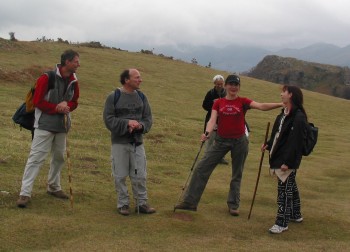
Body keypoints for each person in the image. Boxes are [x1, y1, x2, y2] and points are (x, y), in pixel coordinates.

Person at [174, 74, 283, 216]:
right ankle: (189, 202)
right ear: (225, 86)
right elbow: (212, 119)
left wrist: (281, 104)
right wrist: (206, 133)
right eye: (231, 84)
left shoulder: (243, 101)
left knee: (236, 174)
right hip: (220, 141)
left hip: (240, 142)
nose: (233, 87)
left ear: (239, 87)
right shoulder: (218, 103)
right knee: (201, 168)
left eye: (236, 84)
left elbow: (261, 106)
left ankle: (233, 205)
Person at [16, 49, 80, 208]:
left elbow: (75, 101)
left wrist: (67, 106)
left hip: (62, 125)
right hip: (44, 124)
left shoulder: (74, 80)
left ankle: (53, 187)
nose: (78, 64)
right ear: (67, 62)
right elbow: (38, 101)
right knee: (36, 158)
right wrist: (56, 108)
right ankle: (25, 193)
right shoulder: (46, 78)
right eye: (76, 61)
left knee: (59, 157)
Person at [103, 69, 155, 216]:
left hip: (137, 143)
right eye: (137, 77)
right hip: (119, 143)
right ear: (127, 80)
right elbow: (108, 120)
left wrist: (140, 126)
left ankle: (142, 203)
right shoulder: (114, 97)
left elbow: (148, 119)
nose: (140, 80)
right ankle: (123, 204)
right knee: (120, 175)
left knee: (140, 175)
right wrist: (127, 123)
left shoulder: (142, 97)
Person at [262, 85, 306, 234]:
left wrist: (287, 162)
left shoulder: (298, 117)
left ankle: (282, 222)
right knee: (290, 187)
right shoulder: (282, 115)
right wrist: (268, 145)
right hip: (279, 157)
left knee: (284, 191)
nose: (281, 94)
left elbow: (296, 142)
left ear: (291, 95)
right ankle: (296, 214)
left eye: (284, 92)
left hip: (286, 161)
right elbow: (277, 135)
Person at [202, 75, 229, 165]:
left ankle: (220, 158)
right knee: (210, 138)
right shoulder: (210, 93)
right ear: (214, 84)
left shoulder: (226, 93)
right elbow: (204, 105)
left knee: (221, 140)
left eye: (221, 84)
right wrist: (213, 103)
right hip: (212, 119)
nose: (220, 86)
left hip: (223, 120)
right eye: (218, 84)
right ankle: (207, 157)